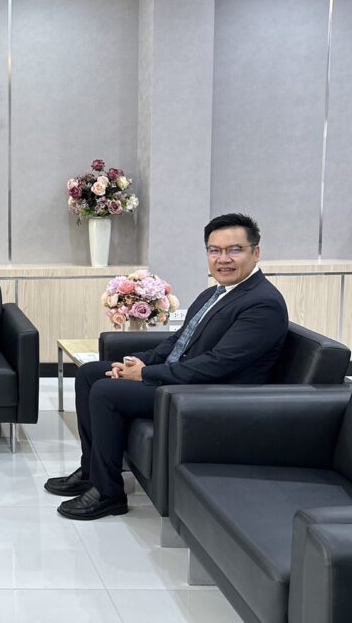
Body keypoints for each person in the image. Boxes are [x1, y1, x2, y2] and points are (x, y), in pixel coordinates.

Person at [46, 213, 289, 520]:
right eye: (215, 250)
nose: (223, 259)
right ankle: (91, 470)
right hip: (187, 380)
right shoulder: (215, 292)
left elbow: (219, 364)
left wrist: (146, 374)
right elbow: (178, 341)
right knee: (90, 373)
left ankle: (108, 494)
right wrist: (141, 361)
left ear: (256, 252)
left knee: (107, 392)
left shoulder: (262, 303)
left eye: (234, 250)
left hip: (212, 395)